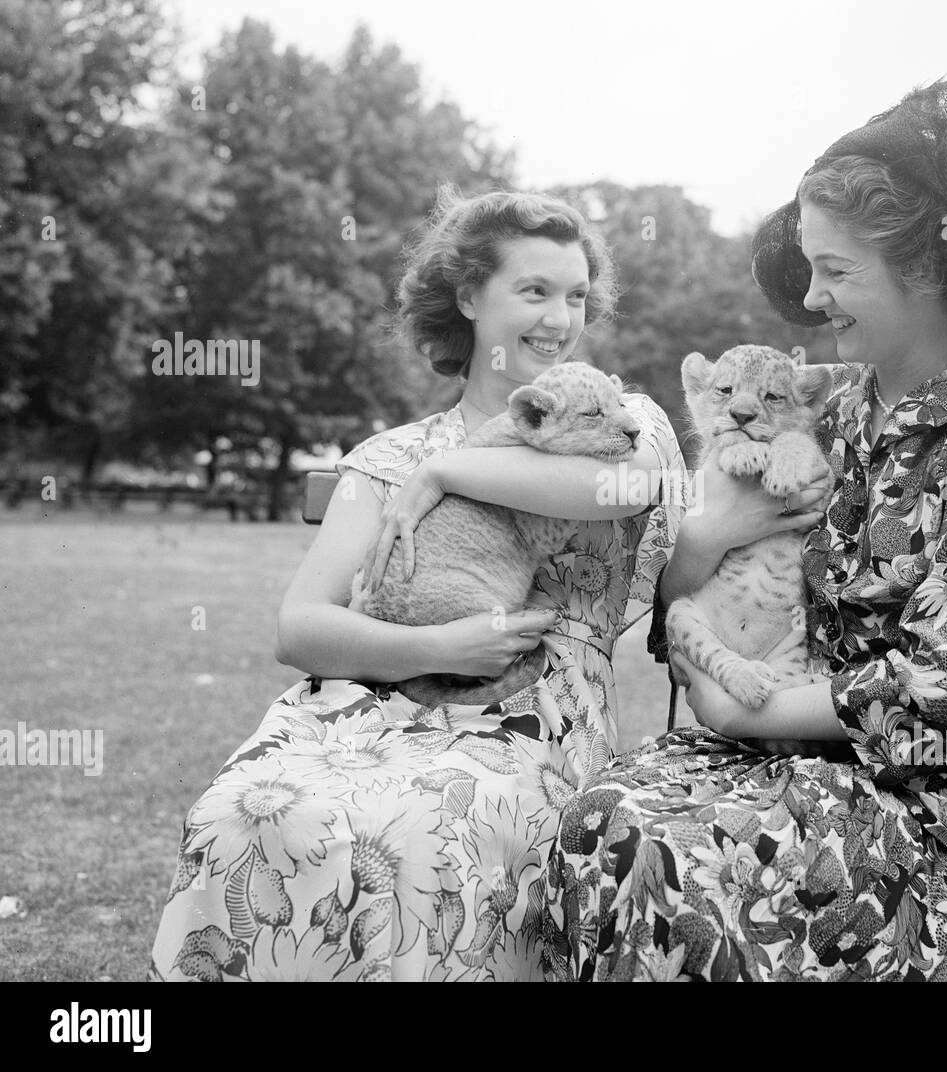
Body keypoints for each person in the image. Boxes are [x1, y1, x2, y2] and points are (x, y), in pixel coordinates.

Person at [543, 80, 947, 981]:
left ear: (927, 268)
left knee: (672, 856)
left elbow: (936, 680)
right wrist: (713, 537)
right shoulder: (815, 411)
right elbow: (681, 591)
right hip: (754, 751)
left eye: (837, 270)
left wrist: (724, 701)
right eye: (810, 268)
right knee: (602, 820)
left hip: (905, 798)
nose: (814, 296)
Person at [149, 188, 685, 981]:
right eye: (533, 291)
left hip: (535, 717)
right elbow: (299, 628)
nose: (560, 319)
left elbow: (623, 490)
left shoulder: (618, 418)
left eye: (576, 297)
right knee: (245, 810)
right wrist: (433, 644)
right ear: (468, 296)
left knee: (411, 823)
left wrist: (448, 469)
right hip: (369, 706)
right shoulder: (388, 456)